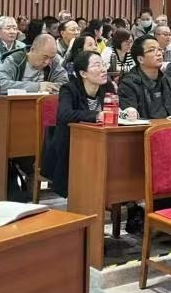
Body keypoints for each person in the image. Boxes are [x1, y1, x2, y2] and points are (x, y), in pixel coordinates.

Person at [44, 51, 120, 197]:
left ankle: (117, 196)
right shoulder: (69, 89)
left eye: (103, 64)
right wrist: (96, 115)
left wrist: (126, 112)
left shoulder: (107, 86)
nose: (103, 69)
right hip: (70, 144)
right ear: (83, 73)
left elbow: (114, 110)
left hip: (99, 141)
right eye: (97, 65)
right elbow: (64, 115)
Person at [118, 35, 171, 118]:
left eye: (159, 49)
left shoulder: (167, 81)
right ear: (140, 59)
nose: (159, 53)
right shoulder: (129, 84)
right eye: (152, 50)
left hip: (170, 125)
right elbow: (130, 118)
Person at [0, 34, 67, 94]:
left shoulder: (53, 61)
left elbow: (65, 83)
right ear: (32, 49)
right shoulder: (14, 60)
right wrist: (38, 86)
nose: (47, 62)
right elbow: (0, 84)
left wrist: (53, 87)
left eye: (51, 58)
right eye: (45, 57)